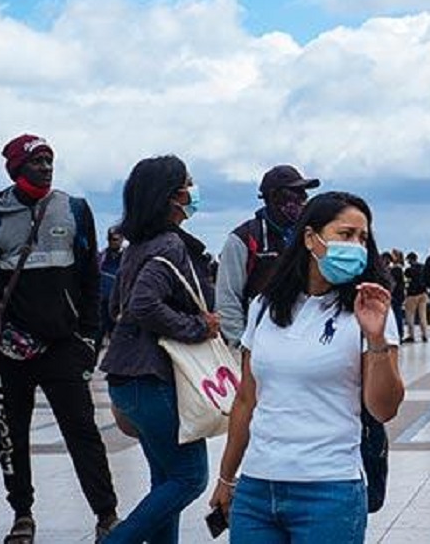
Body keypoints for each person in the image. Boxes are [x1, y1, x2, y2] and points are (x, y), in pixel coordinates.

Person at [209, 191, 404, 541]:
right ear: (310, 238)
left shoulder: (370, 307)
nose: (356, 246)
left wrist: (376, 340)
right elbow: (246, 400)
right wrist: (226, 477)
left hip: (329, 489)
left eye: (363, 238)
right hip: (257, 488)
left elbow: (384, 408)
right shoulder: (264, 307)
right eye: (345, 235)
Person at [0, 135, 119, 543]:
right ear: (16, 169)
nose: (46, 167)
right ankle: (22, 514)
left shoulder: (75, 210)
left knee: (83, 433)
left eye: (49, 160)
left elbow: (89, 280)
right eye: (36, 162)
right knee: (14, 438)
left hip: (64, 347)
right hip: (9, 349)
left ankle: (106, 514)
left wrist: (89, 339)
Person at [99, 156, 218, 543]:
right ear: (171, 196)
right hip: (153, 379)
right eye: (188, 183)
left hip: (127, 378)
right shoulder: (169, 244)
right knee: (190, 478)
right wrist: (198, 327)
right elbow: (142, 305)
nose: (193, 189)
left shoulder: (137, 247)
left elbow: (117, 306)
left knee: (165, 478)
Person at [216, 165, 320, 347]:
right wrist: (241, 345)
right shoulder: (243, 239)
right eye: (295, 191)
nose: (303, 198)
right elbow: (227, 299)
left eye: (304, 192)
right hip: (258, 343)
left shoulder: (310, 235)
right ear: (273, 197)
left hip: (305, 341)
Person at [98, 227, 125, 345]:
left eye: (116, 239)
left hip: (118, 304)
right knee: (98, 334)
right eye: (111, 239)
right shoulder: (101, 257)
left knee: (117, 338)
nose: (113, 242)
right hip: (101, 303)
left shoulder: (127, 258)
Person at [402, 251, 430, 344]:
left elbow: (406, 281)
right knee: (423, 315)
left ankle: (411, 335)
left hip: (412, 295)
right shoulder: (423, 267)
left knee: (410, 316)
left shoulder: (408, 270)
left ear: (410, 260)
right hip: (423, 294)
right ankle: (424, 335)